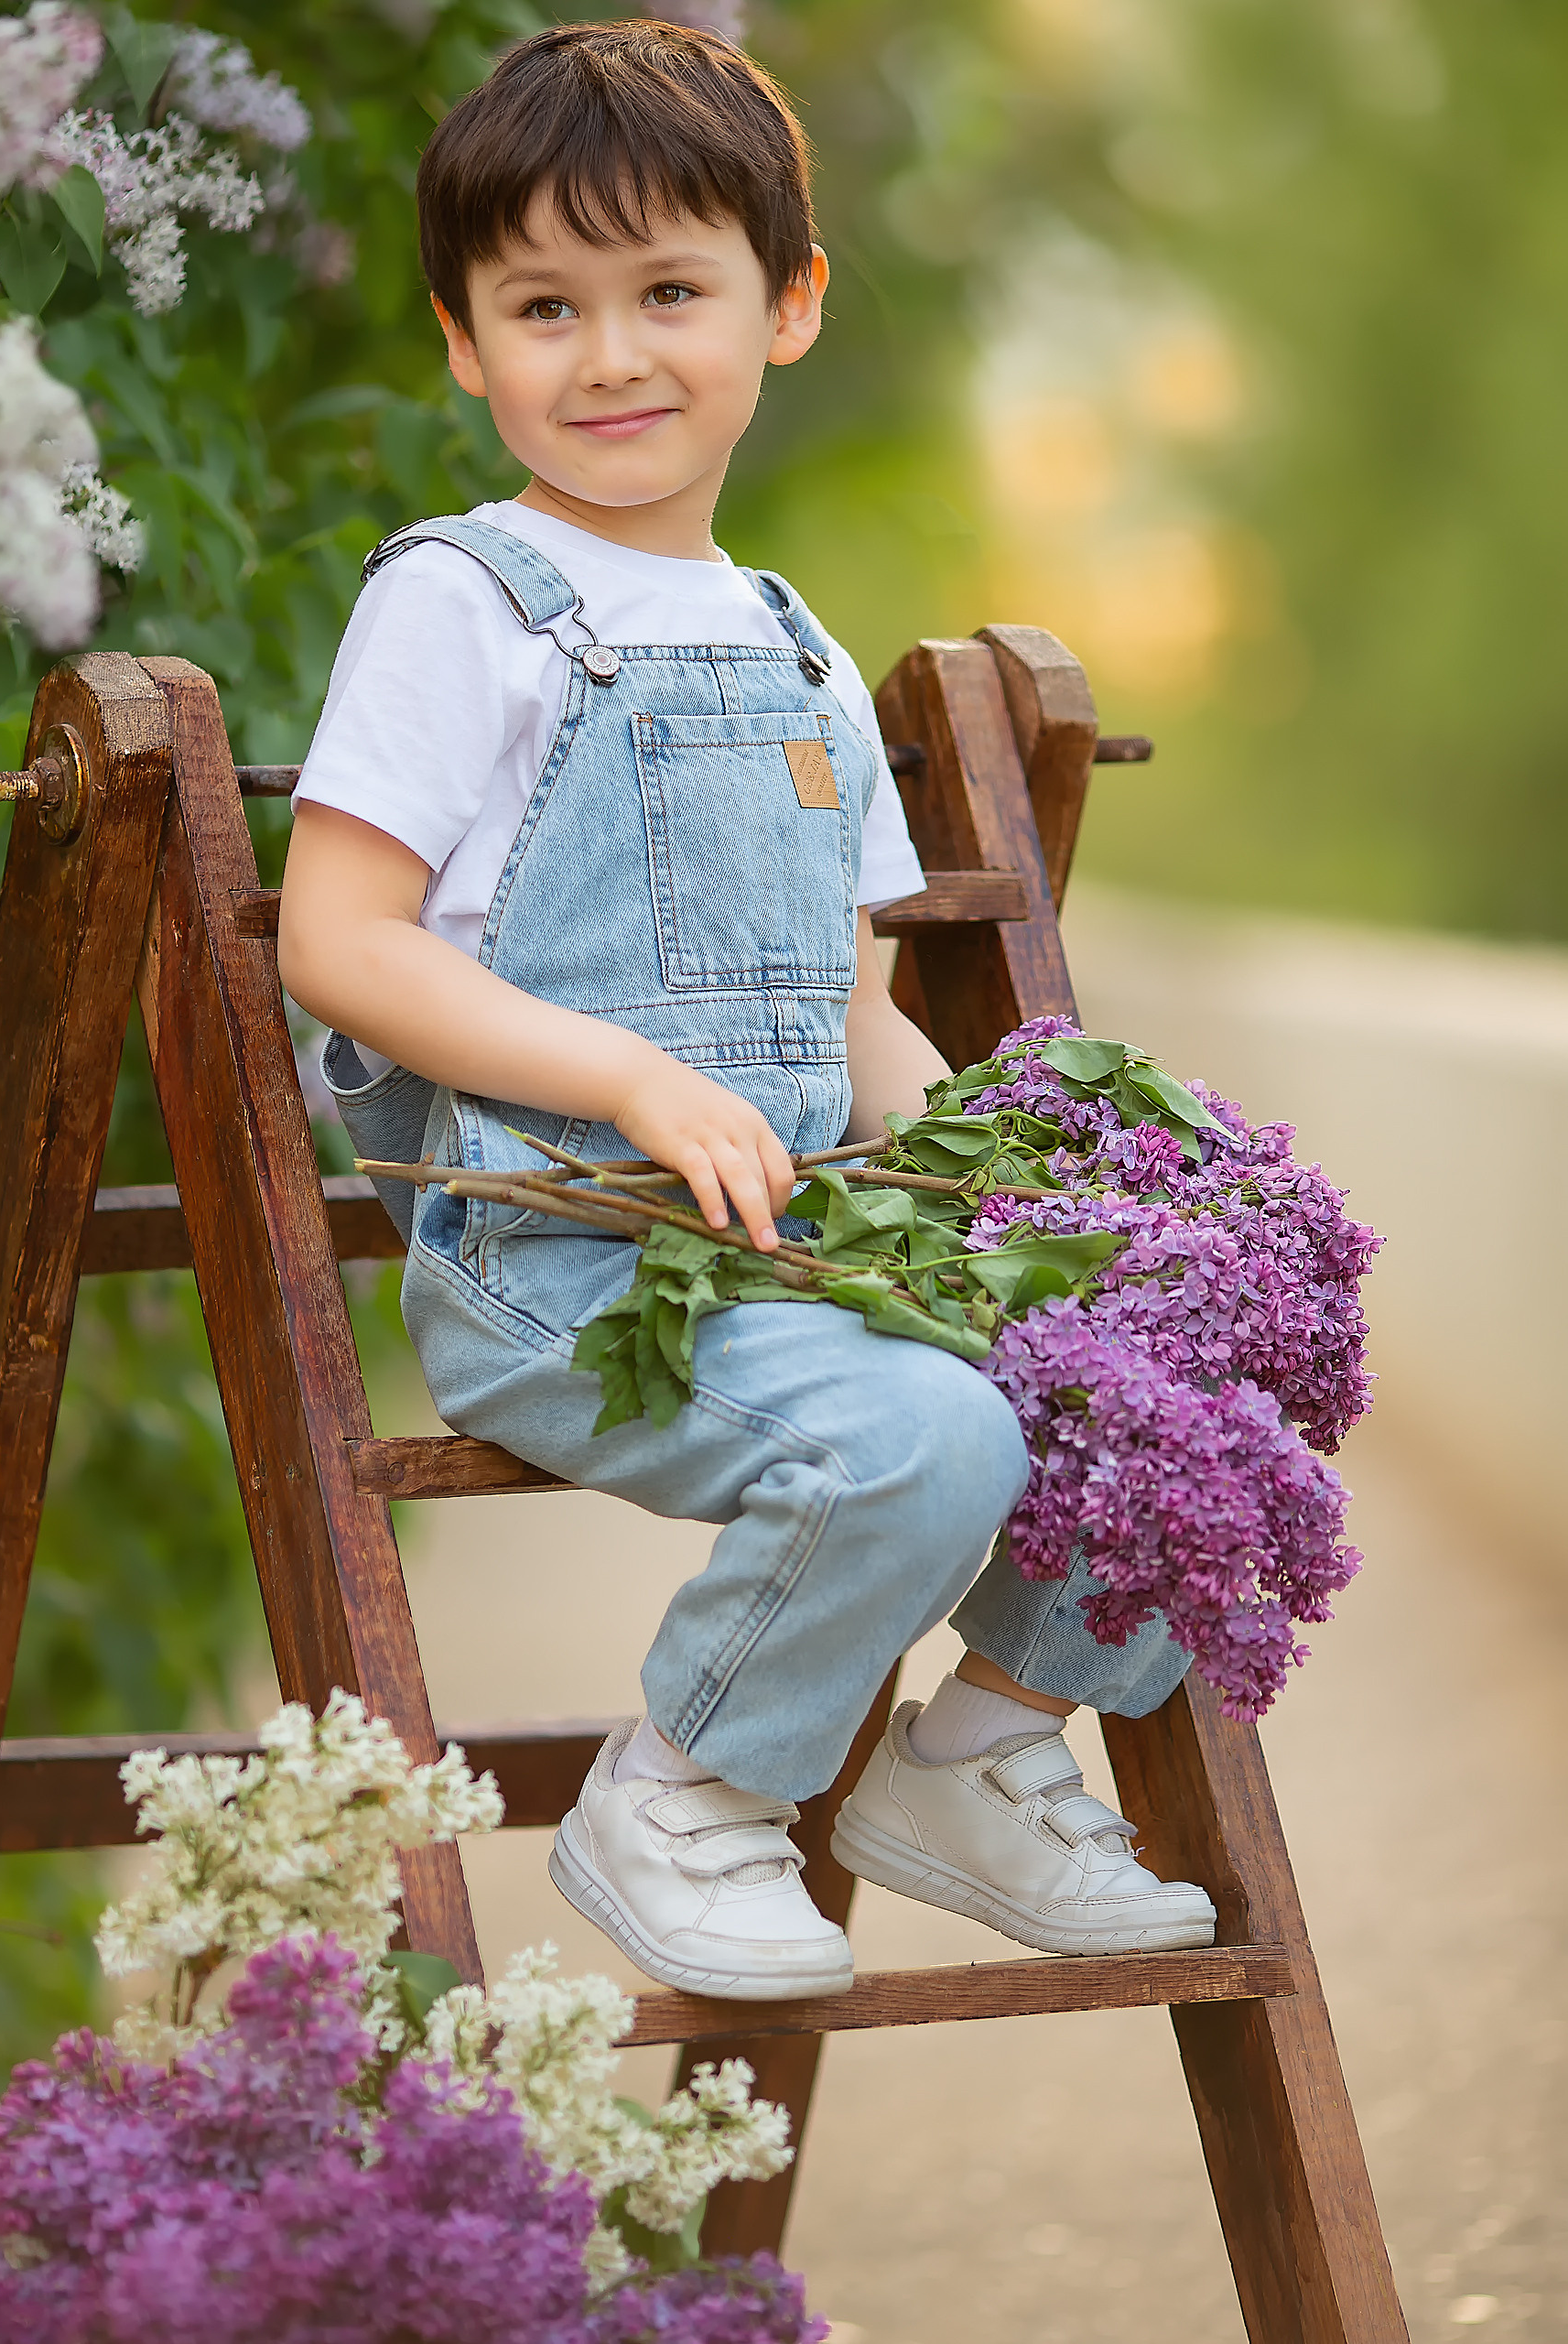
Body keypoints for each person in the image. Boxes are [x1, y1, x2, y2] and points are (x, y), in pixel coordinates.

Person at [278, 19, 1214, 2000]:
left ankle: (976, 1751)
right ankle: (685, 1789)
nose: (609, 356)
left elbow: (856, 1009)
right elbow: (341, 941)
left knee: (1168, 1362)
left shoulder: (786, 643)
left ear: (783, 306)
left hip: (784, 1252)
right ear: (464, 339)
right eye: (545, 304)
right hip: (567, 1256)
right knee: (925, 1433)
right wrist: (627, 1069)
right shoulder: (461, 603)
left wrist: (1019, 1175)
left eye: (668, 293)